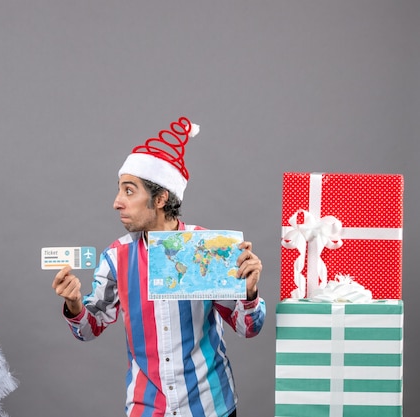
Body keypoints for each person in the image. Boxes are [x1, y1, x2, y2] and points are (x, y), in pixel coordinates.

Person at [52, 117, 266, 417]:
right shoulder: (117, 257)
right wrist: (74, 304)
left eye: (129, 191)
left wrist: (250, 289)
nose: (116, 202)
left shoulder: (207, 249)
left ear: (161, 197)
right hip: (148, 408)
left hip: (210, 406)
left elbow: (249, 327)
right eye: (119, 190)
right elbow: (88, 329)